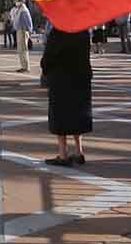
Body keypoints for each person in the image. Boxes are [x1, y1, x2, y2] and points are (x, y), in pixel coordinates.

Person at [40, 26, 93, 166]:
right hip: (81, 78)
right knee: (78, 113)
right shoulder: (83, 30)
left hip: (61, 79)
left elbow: (47, 58)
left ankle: (63, 154)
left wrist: (44, 67)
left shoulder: (58, 32)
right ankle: (79, 151)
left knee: (61, 114)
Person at [13, 0, 33, 73]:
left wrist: (28, 31)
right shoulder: (20, 9)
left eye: (17, 1)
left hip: (23, 31)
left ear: (21, 2)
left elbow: (28, 22)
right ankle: (23, 66)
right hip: (19, 30)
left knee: (23, 49)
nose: (16, 2)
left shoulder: (24, 10)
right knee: (20, 49)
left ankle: (26, 67)